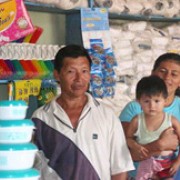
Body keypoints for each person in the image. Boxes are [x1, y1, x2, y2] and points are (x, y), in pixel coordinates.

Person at [32, 44, 134, 180]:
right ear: (57, 74)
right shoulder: (41, 118)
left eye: (84, 71)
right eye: (71, 72)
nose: (79, 79)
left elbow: (120, 169)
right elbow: (32, 167)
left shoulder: (107, 116)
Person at [119, 52, 180, 178]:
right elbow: (125, 154)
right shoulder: (133, 109)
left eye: (174, 74)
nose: (167, 77)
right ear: (153, 73)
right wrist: (160, 145)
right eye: (162, 71)